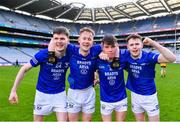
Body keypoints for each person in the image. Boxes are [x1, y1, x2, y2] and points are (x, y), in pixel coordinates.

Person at [9, 26, 70, 122]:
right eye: (56, 38)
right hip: (42, 95)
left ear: (68, 40)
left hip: (60, 95)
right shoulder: (43, 54)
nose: (59, 41)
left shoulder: (71, 53)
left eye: (62, 38)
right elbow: (24, 69)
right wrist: (13, 90)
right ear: (52, 39)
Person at [124, 34, 176, 122]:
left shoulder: (149, 56)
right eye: (131, 45)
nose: (134, 47)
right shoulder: (125, 56)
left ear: (142, 45)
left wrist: (153, 43)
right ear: (127, 47)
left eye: (137, 44)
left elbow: (172, 58)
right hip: (135, 95)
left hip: (149, 96)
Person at [95, 35, 127, 122]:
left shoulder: (123, 58)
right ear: (102, 48)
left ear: (117, 46)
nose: (110, 49)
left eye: (113, 46)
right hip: (105, 100)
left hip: (121, 98)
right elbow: (93, 71)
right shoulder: (97, 60)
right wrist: (95, 78)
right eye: (107, 47)